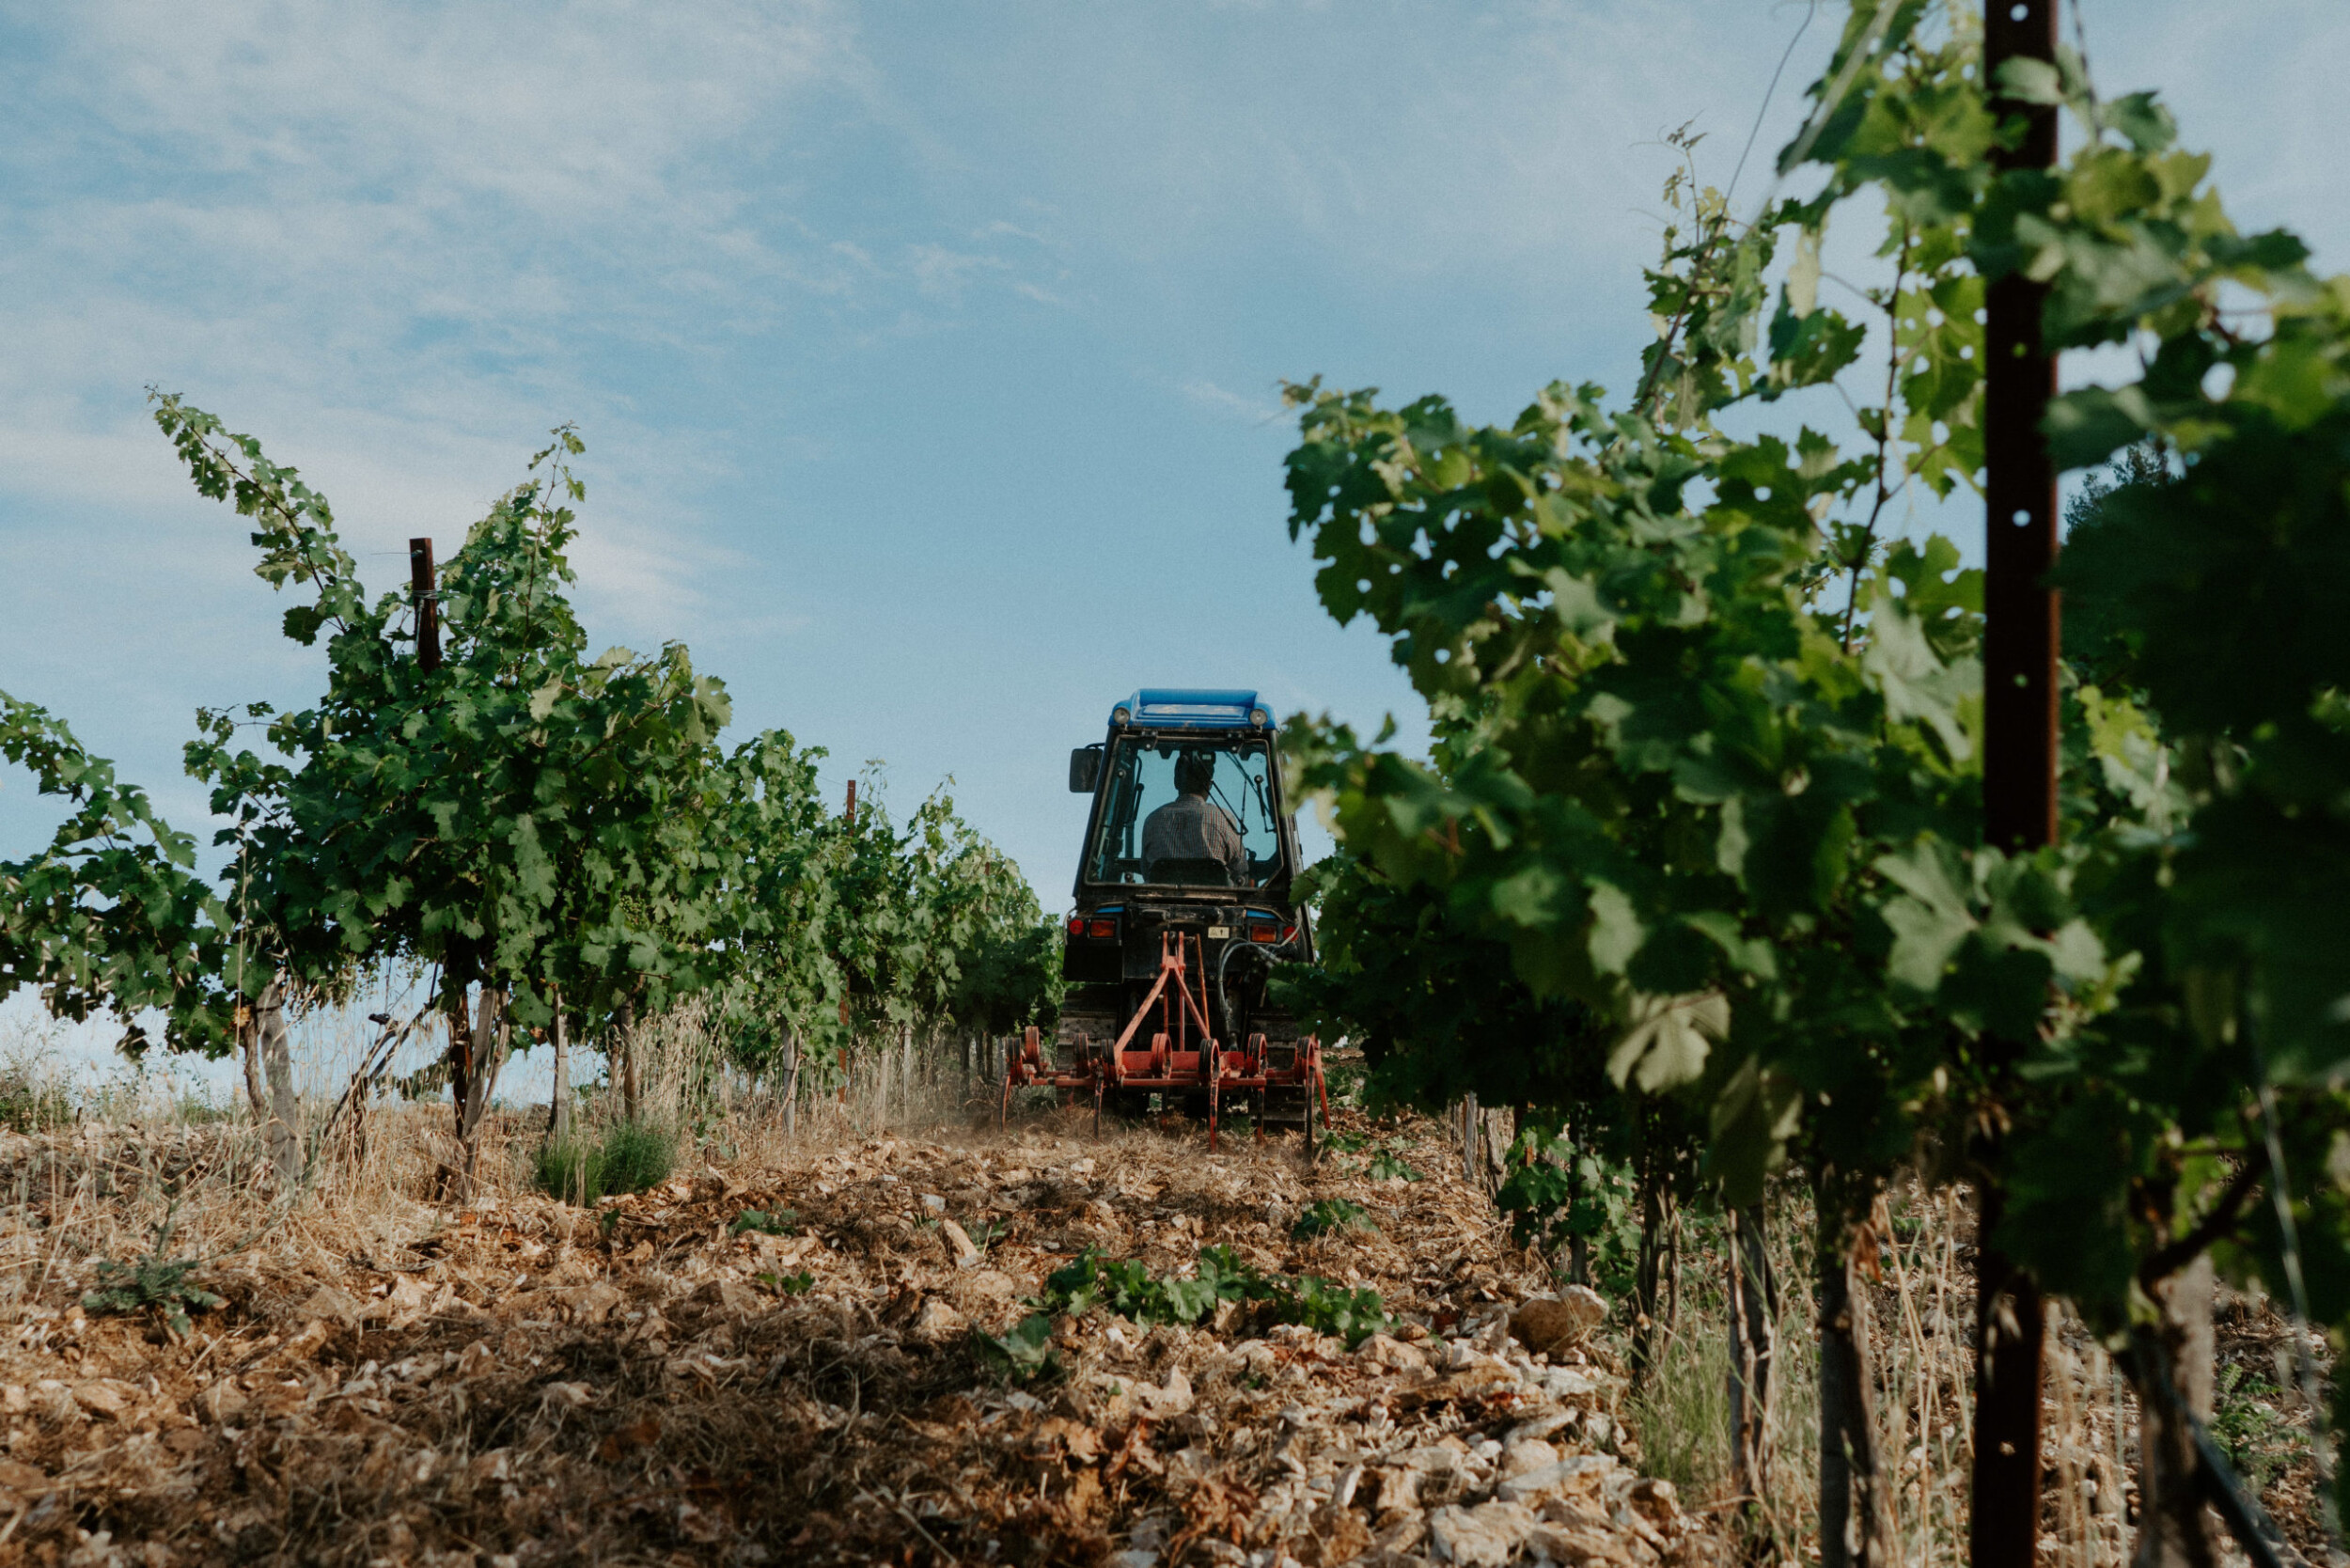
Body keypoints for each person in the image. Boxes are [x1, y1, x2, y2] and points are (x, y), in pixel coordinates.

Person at [1142, 749, 1250, 886]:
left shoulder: (1153, 820)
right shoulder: (1223, 818)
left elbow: (1146, 871)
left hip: (1156, 904)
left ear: (1176, 781)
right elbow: (1240, 871)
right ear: (1209, 784)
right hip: (1217, 903)